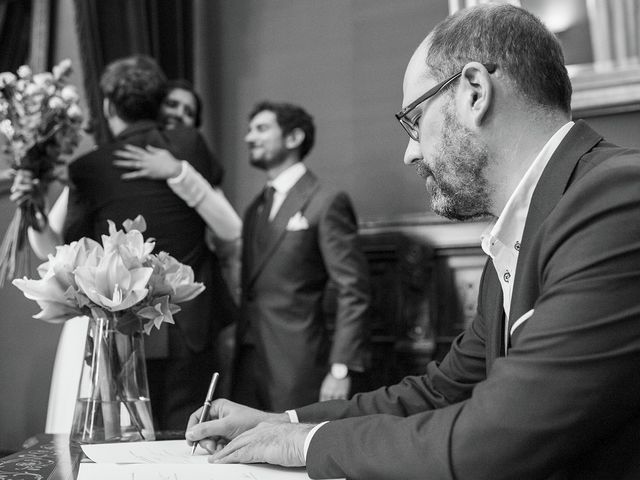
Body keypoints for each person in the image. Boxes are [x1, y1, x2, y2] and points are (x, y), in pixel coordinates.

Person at [183, 5, 640, 479]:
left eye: (413, 120)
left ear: (474, 92)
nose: (409, 152)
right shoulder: (518, 233)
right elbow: (441, 391)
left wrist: (304, 443)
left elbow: (496, 439)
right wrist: (281, 422)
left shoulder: (616, 200)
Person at [13, 55, 240, 433]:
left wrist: (35, 210)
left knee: (123, 439)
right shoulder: (188, 142)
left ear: (106, 106)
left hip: (119, 328)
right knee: (191, 436)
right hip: (191, 323)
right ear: (159, 102)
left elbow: (57, 253)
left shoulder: (90, 167)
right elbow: (231, 228)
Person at [228, 100, 371, 412]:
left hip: (300, 368)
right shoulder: (256, 208)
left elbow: (353, 289)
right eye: (250, 130)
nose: (249, 138)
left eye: (261, 129)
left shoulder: (326, 200)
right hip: (248, 365)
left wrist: (340, 368)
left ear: (293, 138)